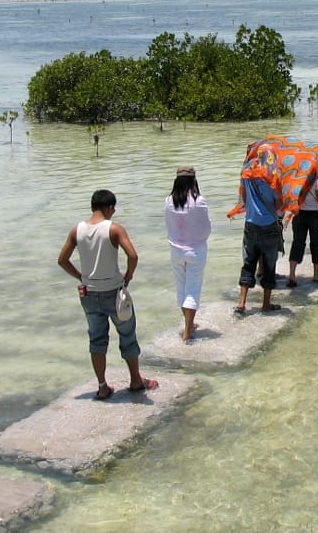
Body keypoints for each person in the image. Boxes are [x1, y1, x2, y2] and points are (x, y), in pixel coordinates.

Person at [57, 189, 158, 400]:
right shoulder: (114, 229)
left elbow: (62, 260)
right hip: (114, 292)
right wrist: (127, 276)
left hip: (88, 293)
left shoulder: (77, 230)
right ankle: (135, 380)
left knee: (96, 340)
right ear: (109, 207)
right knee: (128, 336)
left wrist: (81, 277)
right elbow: (133, 255)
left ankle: (102, 386)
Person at [235, 143, 283, 315]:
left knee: (248, 264)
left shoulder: (246, 174)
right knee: (269, 266)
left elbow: (245, 199)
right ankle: (266, 304)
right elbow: (278, 205)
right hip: (269, 225)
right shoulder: (274, 176)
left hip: (250, 224)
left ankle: (241, 303)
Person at [164, 166, 211, 343]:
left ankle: (189, 324)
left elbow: (169, 225)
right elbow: (207, 228)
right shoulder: (198, 201)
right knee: (193, 290)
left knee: (181, 289)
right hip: (195, 250)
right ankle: (187, 331)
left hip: (175, 250)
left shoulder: (168, 201)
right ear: (193, 180)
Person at [287, 163, 318, 285]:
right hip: (315, 215)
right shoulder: (317, 178)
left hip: (299, 214)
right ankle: (316, 275)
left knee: (297, 243)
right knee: (317, 244)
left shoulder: (297, 178)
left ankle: (292, 274)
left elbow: (290, 194)